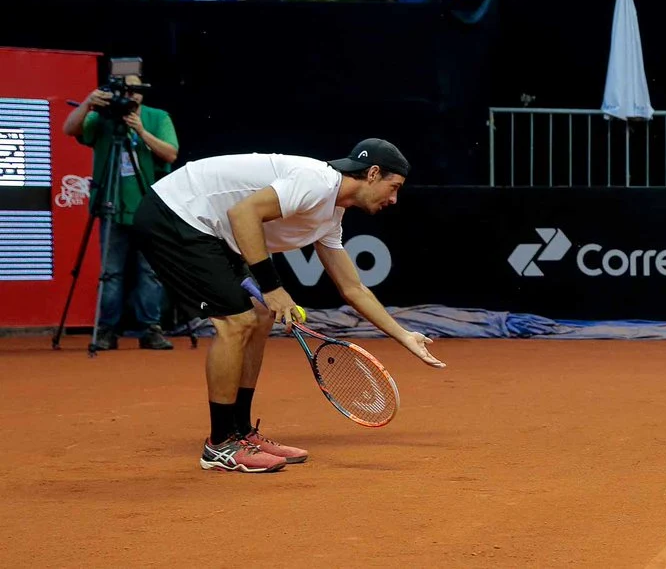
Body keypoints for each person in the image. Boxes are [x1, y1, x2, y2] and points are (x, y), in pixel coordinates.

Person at [131, 139, 446, 473]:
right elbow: (244, 213)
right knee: (237, 322)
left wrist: (403, 335)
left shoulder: (330, 218)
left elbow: (353, 288)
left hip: (212, 229)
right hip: (176, 213)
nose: (394, 199)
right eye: (393, 187)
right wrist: (273, 287)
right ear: (372, 173)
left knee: (262, 315)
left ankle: (241, 432)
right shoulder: (317, 181)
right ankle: (221, 444)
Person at [62, 75, 179, 351]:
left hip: (149, 208)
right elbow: (69, 128)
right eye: (124, 90)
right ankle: (106, 330)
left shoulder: (157, 117)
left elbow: (171, 154)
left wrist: (140, 130)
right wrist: (89, 104)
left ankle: (151, 329)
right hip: (111, 205)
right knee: (110, 272)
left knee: (149, 272)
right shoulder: (102, 116)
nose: (131, 95)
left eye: (136, 90)